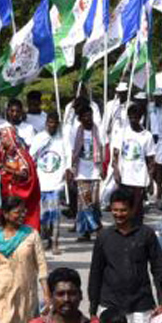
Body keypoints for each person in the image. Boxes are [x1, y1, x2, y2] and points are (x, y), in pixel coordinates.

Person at [88, 187, 162, 323]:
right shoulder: (104, 237)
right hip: (110, 304)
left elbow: (159, 268)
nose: (118, 214)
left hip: (141, 305)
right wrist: (93, 308)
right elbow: (96, 272)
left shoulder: (146, 234)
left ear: (132, 210)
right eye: (115, 210)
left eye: (123, 210)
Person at [30, 110, 69, 254]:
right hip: (42, 182)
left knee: (55, 214)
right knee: (43, 216)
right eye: (50, 123)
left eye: (55, 123)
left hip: (56, 182)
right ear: (46, 124)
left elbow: (68, 157)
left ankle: (55, 243)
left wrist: (68, 170)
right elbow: (31, 157)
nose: (52, 126)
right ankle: (46, 239)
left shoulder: (62, 139)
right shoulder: (39, 138)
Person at [111, 101, 154, 221]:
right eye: (130, 117)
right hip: (124, 178)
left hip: (139, 179)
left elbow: (151, 160)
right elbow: (115, 155)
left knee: (136, 210)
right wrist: (116, 171)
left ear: (140, 118)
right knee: (124, 208)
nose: (133, 120)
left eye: (136, 117)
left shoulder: (147, 136)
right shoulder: (123, 132)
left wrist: (150, 180)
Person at [0, 124, 41, 230]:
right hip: (7, 193)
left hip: (20, 193)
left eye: (3, 138)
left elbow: (25, 174)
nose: (1, 141)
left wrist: (8, 170)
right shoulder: (3, 153)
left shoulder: (20, 154)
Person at [71, 99, 104, 241]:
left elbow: (103, 147)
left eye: (90, 115)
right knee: (84, 202)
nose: (88, 118)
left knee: (94, 202)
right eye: (85, 116)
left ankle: (92, 226)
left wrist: (103, 167)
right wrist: (70, 170)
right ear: (80, 118)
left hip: (95, 170)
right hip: (81, 171)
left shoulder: (98, 130)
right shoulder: (76, 132)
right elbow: (71, 151)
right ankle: (88, 230)